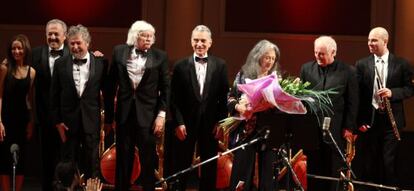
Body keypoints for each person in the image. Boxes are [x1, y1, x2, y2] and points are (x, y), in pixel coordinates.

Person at [104, 20, 169, 191]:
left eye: (151, 36)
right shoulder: (119, 52)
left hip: (148, 116)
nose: (148, 39)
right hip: (124, 115)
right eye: (144, 36)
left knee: (148, 160)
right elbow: (110, 87)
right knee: (123, 158)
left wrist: (161, 115)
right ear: (135, 36)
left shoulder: (160, 56)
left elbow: (166, 89)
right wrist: (109, 117)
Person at [169, 25, 229, 191]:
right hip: (185, 125)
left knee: (209, 167)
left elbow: (223, 98)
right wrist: (178, 123)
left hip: (211, 125)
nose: (199, 44)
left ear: (210, 43)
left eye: (203, 40)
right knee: (181, 166)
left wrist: (221, 123)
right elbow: (173, 99)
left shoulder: (220, 65)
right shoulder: (180, 66)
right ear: (191, 41)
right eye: (196, 40)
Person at [354, 27, 414, 189]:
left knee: (389, 163)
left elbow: (410, 89)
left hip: (391, 120)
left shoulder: (402, 64)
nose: (370, 43)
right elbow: (357, 94)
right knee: (369, 164)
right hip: (370, 120)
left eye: (374, 40)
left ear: (385, 41)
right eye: (368, 40)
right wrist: (359, 120)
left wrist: (392, 92)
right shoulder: (361, 64)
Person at [300, 36, 358, 191]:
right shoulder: (306, 69)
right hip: (312, 129)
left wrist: (349, 127)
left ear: (333, 52)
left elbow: (353, 102)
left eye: (322, 54)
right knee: (313, 168)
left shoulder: (348, 71)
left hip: (336, 129)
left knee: (332, 169)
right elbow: (303, 100)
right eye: (316, 53)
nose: (318, 57)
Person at [50, 24, 108, 180]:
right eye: (72, 43)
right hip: (68, 123)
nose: (75, 47)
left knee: (92, 163)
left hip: (91, 121)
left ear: (87, 43)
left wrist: (108, 121)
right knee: (68, 165)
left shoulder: (101, 62)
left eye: (78, 43)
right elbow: (54, 96)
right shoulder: (60, 63)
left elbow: (107, 94)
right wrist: (58, 123)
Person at [227, 39, 281, 191]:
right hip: (247, 129)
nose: (269, 61)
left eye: (272, 58)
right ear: (258, 56)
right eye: (266, 57)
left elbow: (281, 104)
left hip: (269, 131)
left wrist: (273, 104)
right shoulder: (244, 74)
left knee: (268, 173)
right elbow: (230, 97)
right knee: (242, 173)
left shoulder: (277, 78)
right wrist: (239, 106)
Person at [32, 18, 69, 191]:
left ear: (65, 36)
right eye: (50, 34)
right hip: (44, 118)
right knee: (45, 162)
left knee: (67, 162)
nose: (53, 37)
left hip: (67, 119)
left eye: (56, 34)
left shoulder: (74, 53)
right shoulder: (35, 54)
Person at [0, 34, 36, 191]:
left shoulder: (32, 72)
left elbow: (29, 100)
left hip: (22, 120)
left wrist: (31, 122)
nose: (16, 51)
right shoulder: (4, 69)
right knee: (4, 160)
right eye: (14, 48)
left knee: (22, 160)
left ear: (25, 50)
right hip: (6, 120)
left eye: (19, 48)